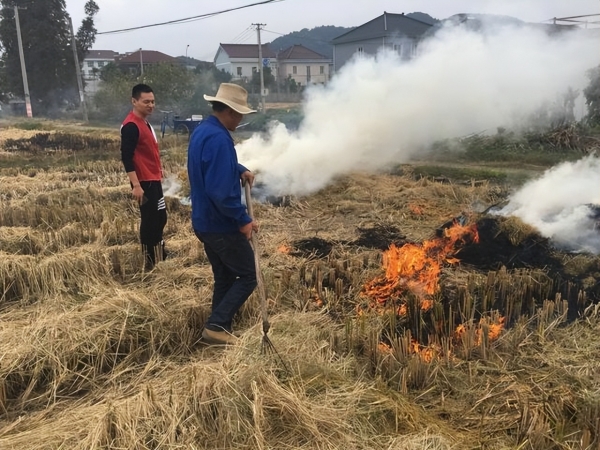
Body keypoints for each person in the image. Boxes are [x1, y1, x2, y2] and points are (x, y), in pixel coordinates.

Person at [187, 83, 258, 345]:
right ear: (228, 111)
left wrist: (239, 168)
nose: (240, 120)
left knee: (226, 275)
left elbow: (213, 164)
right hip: (220, 224)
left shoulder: (204, 131)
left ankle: (218, 327)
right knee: (249, 274)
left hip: (204, 221)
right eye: (239, 115)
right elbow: (221, 192)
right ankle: (217, 325)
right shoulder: (218, 138)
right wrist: (243, 220)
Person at [120, 83, 167, 270]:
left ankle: (159, 253)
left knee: (160, 217)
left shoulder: (145, 123)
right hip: (144, 182)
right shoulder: (131, 125)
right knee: (150, 220)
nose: (151, 105)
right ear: (134, 101)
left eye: (153, 101)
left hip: (153, 179)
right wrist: (136, 185)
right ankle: (150, 261)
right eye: (146, 101)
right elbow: (126, 156)